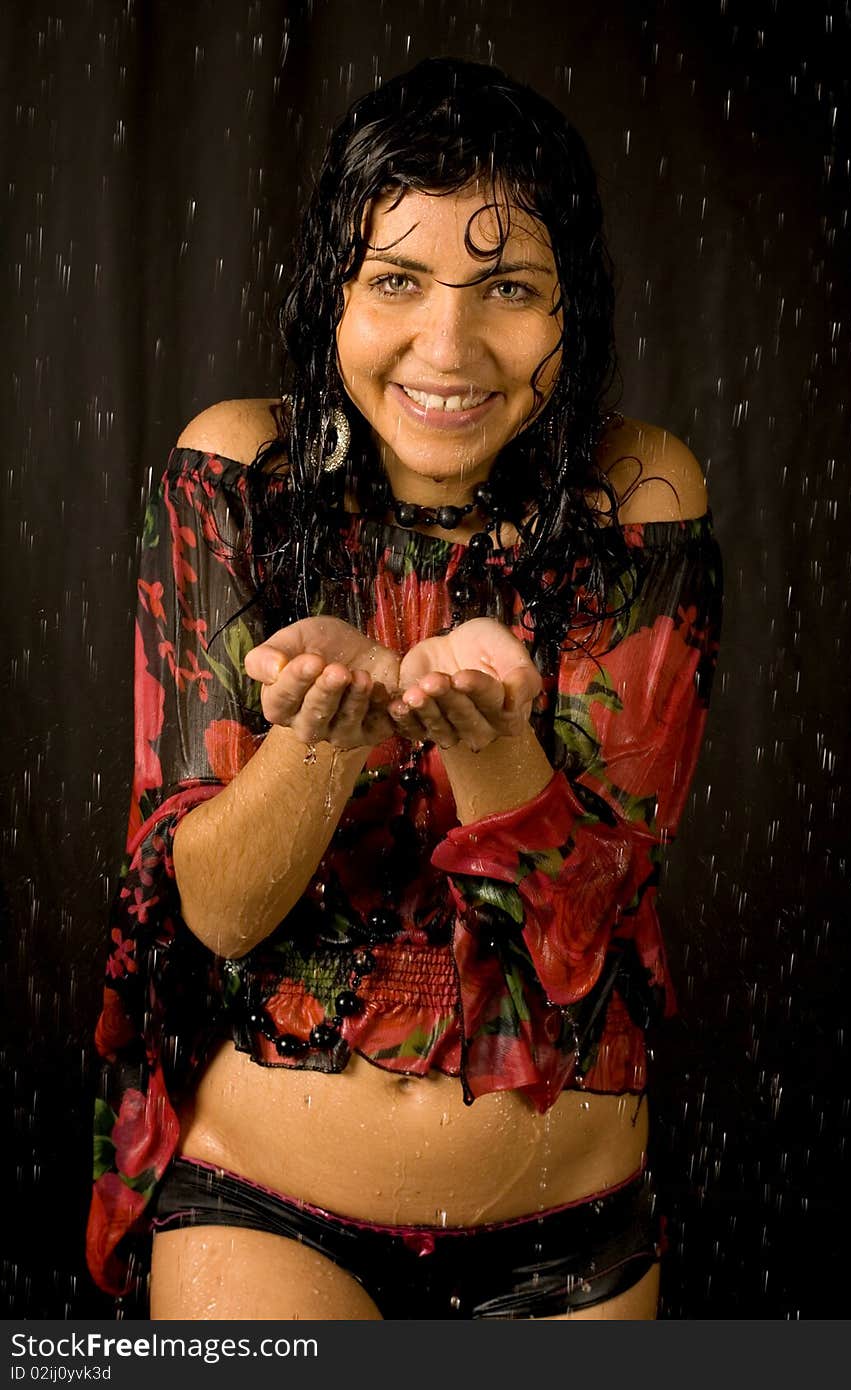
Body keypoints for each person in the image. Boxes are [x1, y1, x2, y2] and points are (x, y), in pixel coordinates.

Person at [86, 57, 722, 1320]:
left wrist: (495, 751)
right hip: (263, 1212)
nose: (450, 345)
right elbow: (211, 909)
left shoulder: (637, 493)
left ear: (570, 313)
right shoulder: (240, 473)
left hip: (570, 1237)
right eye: (396, 280)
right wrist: (331, 731)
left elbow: (586, 945)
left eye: (509, 290)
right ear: (335, 294)